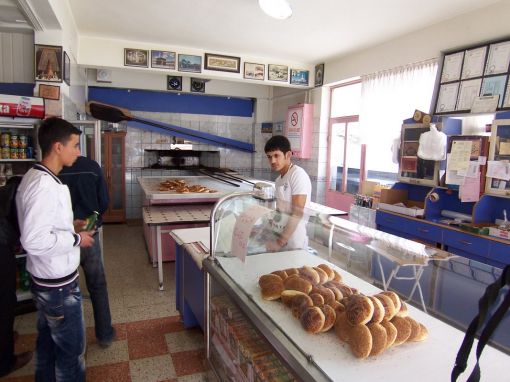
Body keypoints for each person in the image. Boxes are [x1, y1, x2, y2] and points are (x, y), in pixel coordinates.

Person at [16, 117, 95, 382]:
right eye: (75, 144)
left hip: (46, 282)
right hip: (57, 288)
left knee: (48, 345)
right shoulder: (43, 186)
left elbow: (42, 225)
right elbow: (34, 240)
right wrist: (76, 240)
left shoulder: (37, 176)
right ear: (58, 147)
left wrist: (69, 226)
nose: (78, 151)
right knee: (71, 353)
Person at [59, 156, 116, 348]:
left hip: (64, 237)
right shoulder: (92, 166)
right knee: (97, 284)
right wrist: (94, 220)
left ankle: (71, 341)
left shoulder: (55, 170)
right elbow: (104, 201)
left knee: (66, 288)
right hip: (89, 233)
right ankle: (105, 334)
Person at [0, 176, 32, 378]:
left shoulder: (6, 192)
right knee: (5, 302)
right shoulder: (21, 195)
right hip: (1, 250)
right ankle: (5, 361)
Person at [264, 135, 312, 251]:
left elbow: (297, 212)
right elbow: (281, 210)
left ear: (288, 155)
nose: (272, 161)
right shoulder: (278, 180)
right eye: (269, 157)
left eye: (276, 155)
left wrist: (280, 242)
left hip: (294, 241)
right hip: (280, 235)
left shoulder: (297, 174)